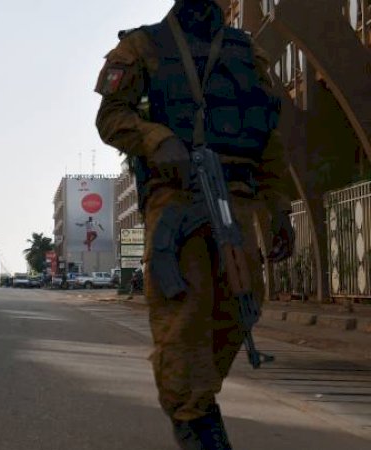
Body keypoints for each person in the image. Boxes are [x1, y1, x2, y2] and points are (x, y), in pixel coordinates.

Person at [94, 1, 294, 448]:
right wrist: (156, 139)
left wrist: (279, 208)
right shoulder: (142, 46)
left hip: (238, 200)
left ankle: (196, 400)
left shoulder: (246, 52)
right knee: (183, 314)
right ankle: (194, 418)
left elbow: (268, 136)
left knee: (242, 307)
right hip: (177, 198)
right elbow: (110, 117)